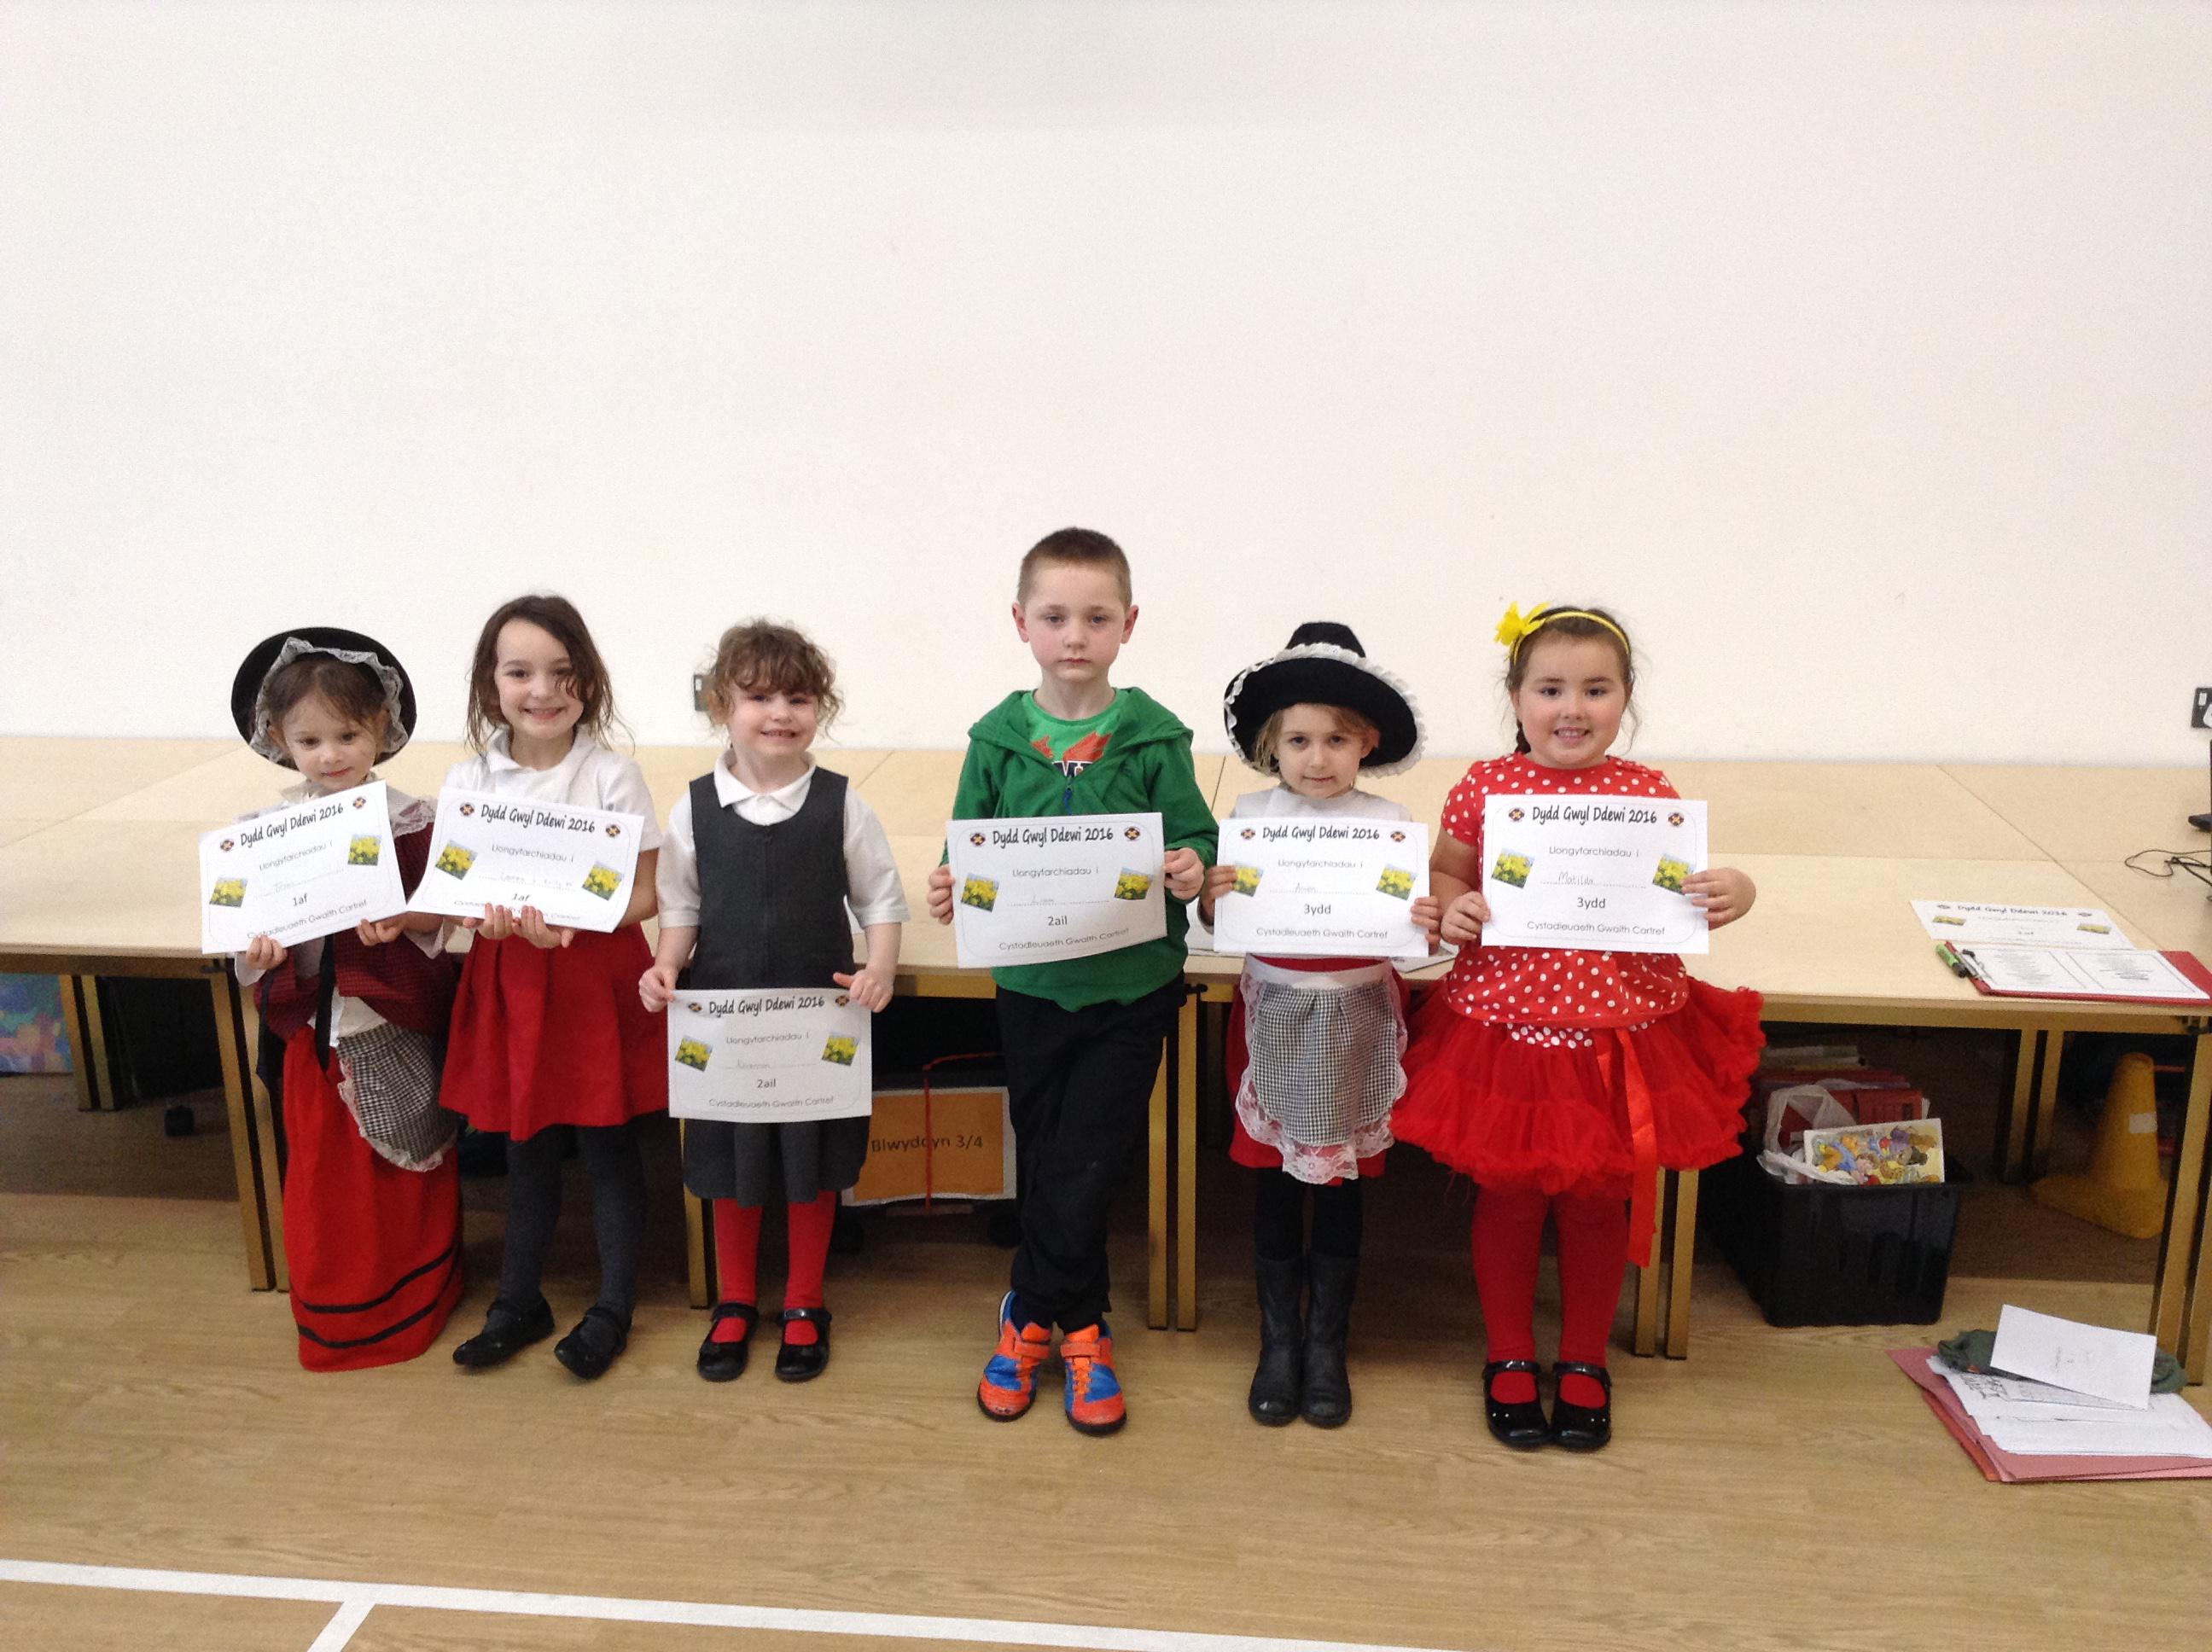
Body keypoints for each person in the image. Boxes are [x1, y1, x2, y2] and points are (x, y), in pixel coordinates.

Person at [1393, 603, 1762, 1451]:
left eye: (1596, 689)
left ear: (1625, 697)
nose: (1572, 708)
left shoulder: (1647, 793)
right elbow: (1446, 873)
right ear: (1516, 697)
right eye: (1550, 688)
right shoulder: (1485, 787)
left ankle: (1586, 1355)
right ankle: (1509, 1352)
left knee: (1599, 1204)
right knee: (1510, 1200)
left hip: (1619, 1035)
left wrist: (1735, 890)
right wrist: (1454, 907)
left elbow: (1682, 891)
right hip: (1507, 1035)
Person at [926, 527, 1217, 1434]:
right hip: (1031, 983)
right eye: (1055, 617)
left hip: (1132, 985)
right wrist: (951, 883)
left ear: (1128, 624)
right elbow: (969, 844)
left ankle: (1036, 1318)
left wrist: (1190, 866)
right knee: (1050, 1149)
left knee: (1091, 1155)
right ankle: (1077, 1320)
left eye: (1096, 617)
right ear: (1022, 623)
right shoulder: (996, 740)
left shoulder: (1155, 737)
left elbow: (1196, 836)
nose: (1075, 635)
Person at [640, 620, 905, 1383]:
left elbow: (881, 897)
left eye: (798, 698)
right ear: (722, 705)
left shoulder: (841, 803)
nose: (780, 713)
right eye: (759, 697)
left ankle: (804, 1300)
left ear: (820, 708)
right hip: (724, 1021)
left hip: (817, 1017)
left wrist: (880, 967)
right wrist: (665, 967)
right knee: (732, 1156)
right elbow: (680, 905)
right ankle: (734, 1300)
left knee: (811, 1158)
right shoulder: (694, 807)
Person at [1202, 622, 1437, 1428]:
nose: (1317, 758)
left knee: (1339, 1182)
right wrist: (1213, 901)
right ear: (1272, 744)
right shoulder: (1250, 819)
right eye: (1299, 740)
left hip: (1357, 1017)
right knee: (1274, 1175)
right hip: (1273, 1015)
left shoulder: (1390, 824)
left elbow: (1416, 943)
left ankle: (1327, 1342)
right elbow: (1216, 930)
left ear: (1367, 741)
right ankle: (1279, 1340)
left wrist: (1423, 918)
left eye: (1337, 739)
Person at [439, 595, 665, 1381]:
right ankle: (518, 1301)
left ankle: (614, 1307)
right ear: (489, 684)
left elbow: (647, 893)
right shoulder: (470, 779)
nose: (542, 690)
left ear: (589, 682)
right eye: (519, 672)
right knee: (524, 1146)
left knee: (608, 1148)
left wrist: (574, 919)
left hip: (594, 979)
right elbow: (457, 889)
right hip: (512, 979)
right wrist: (476, 917)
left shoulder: (611, 776)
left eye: (563, 673)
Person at [228, 627, 463, 1370]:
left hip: (392, 1016)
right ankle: (340, 1310)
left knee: (409, 1161)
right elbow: (244, 939)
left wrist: (407, 918)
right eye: (309, 741)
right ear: (278, 739)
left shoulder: (414, 821)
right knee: (326, 1179)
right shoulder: (264, 836)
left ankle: (420, 1294)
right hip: (314, 1032)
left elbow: (448, 914)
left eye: (348, 736)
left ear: (382, 728)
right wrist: (259, 954)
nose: (330, 755)